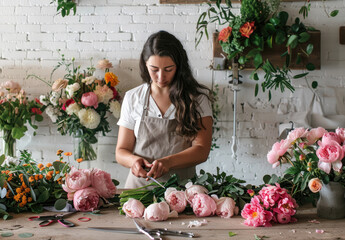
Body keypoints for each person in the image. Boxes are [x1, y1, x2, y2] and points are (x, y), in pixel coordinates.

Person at [116, 31, 213, 188]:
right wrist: (133, 161)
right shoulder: (133, 98)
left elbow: (202, 150)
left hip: (183, 191)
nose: (161, 77)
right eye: (154, 69)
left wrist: (168, 162)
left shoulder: (197, 99)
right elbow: (121, 151)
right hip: (139, 191)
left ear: (179, 66)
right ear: (145, 64)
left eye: (168, 69)